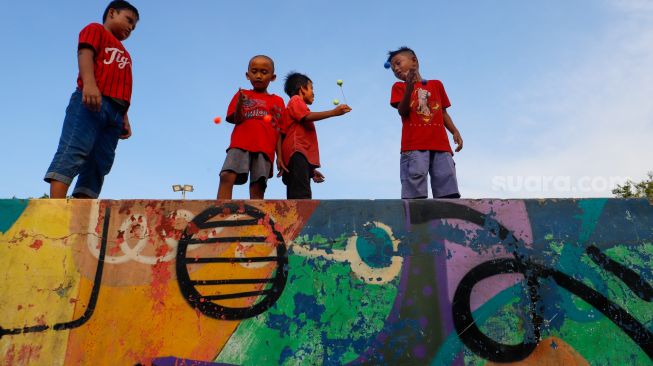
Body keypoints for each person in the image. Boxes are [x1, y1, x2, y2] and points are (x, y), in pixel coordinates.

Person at [43, 1, 139, 199]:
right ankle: (55, 206)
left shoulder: (126, 54)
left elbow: (122, 86)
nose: (130, 27)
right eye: (128, 20)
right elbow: (85, 52)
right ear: (112, 13)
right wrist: (89, 83)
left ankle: (83, 212)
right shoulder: (96, 29)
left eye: (134, 26)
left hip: (115, 113)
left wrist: (125, 117)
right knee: (75, 149)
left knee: (100, 162)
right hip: (91, 101)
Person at [387, 47, 463, 199]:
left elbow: (442, 112)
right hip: (414, 147)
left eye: (398, 63)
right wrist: (409, 86)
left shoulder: (436, 85)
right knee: (415, 191)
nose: (395, 68)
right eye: (393, 68)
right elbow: (402, 111)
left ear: (414, 61)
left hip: (441, 145)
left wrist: (455, 131)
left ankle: (448, 218)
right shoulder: (399, 87)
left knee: (447, 187)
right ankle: (416, 221)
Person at [217, 55, 286, 199]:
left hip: (265, 147)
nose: (259, 76)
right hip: (240, 143)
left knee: (258, 184)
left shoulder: (278, 101)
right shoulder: (242, 94)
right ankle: (221, 212)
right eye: (254, 71)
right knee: (227, 175)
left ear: (272, 77)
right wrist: (240, 104)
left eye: (264, 72)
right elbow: (237, 119)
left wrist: (280, 157)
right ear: (248, 75)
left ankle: (257, 218)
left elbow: (279, 130)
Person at [278, 72, 351, 199]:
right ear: (302, 89)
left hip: (296, 157)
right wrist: (333, 112)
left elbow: (282, 134)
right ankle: (302, 218)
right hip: (296, 153)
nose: (313, 92)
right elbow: (306, 117)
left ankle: (298, 217)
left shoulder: (292, 108)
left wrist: (310, 171)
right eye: (311, 88)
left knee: (298, 190)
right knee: (301, 195)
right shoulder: (295, 100)